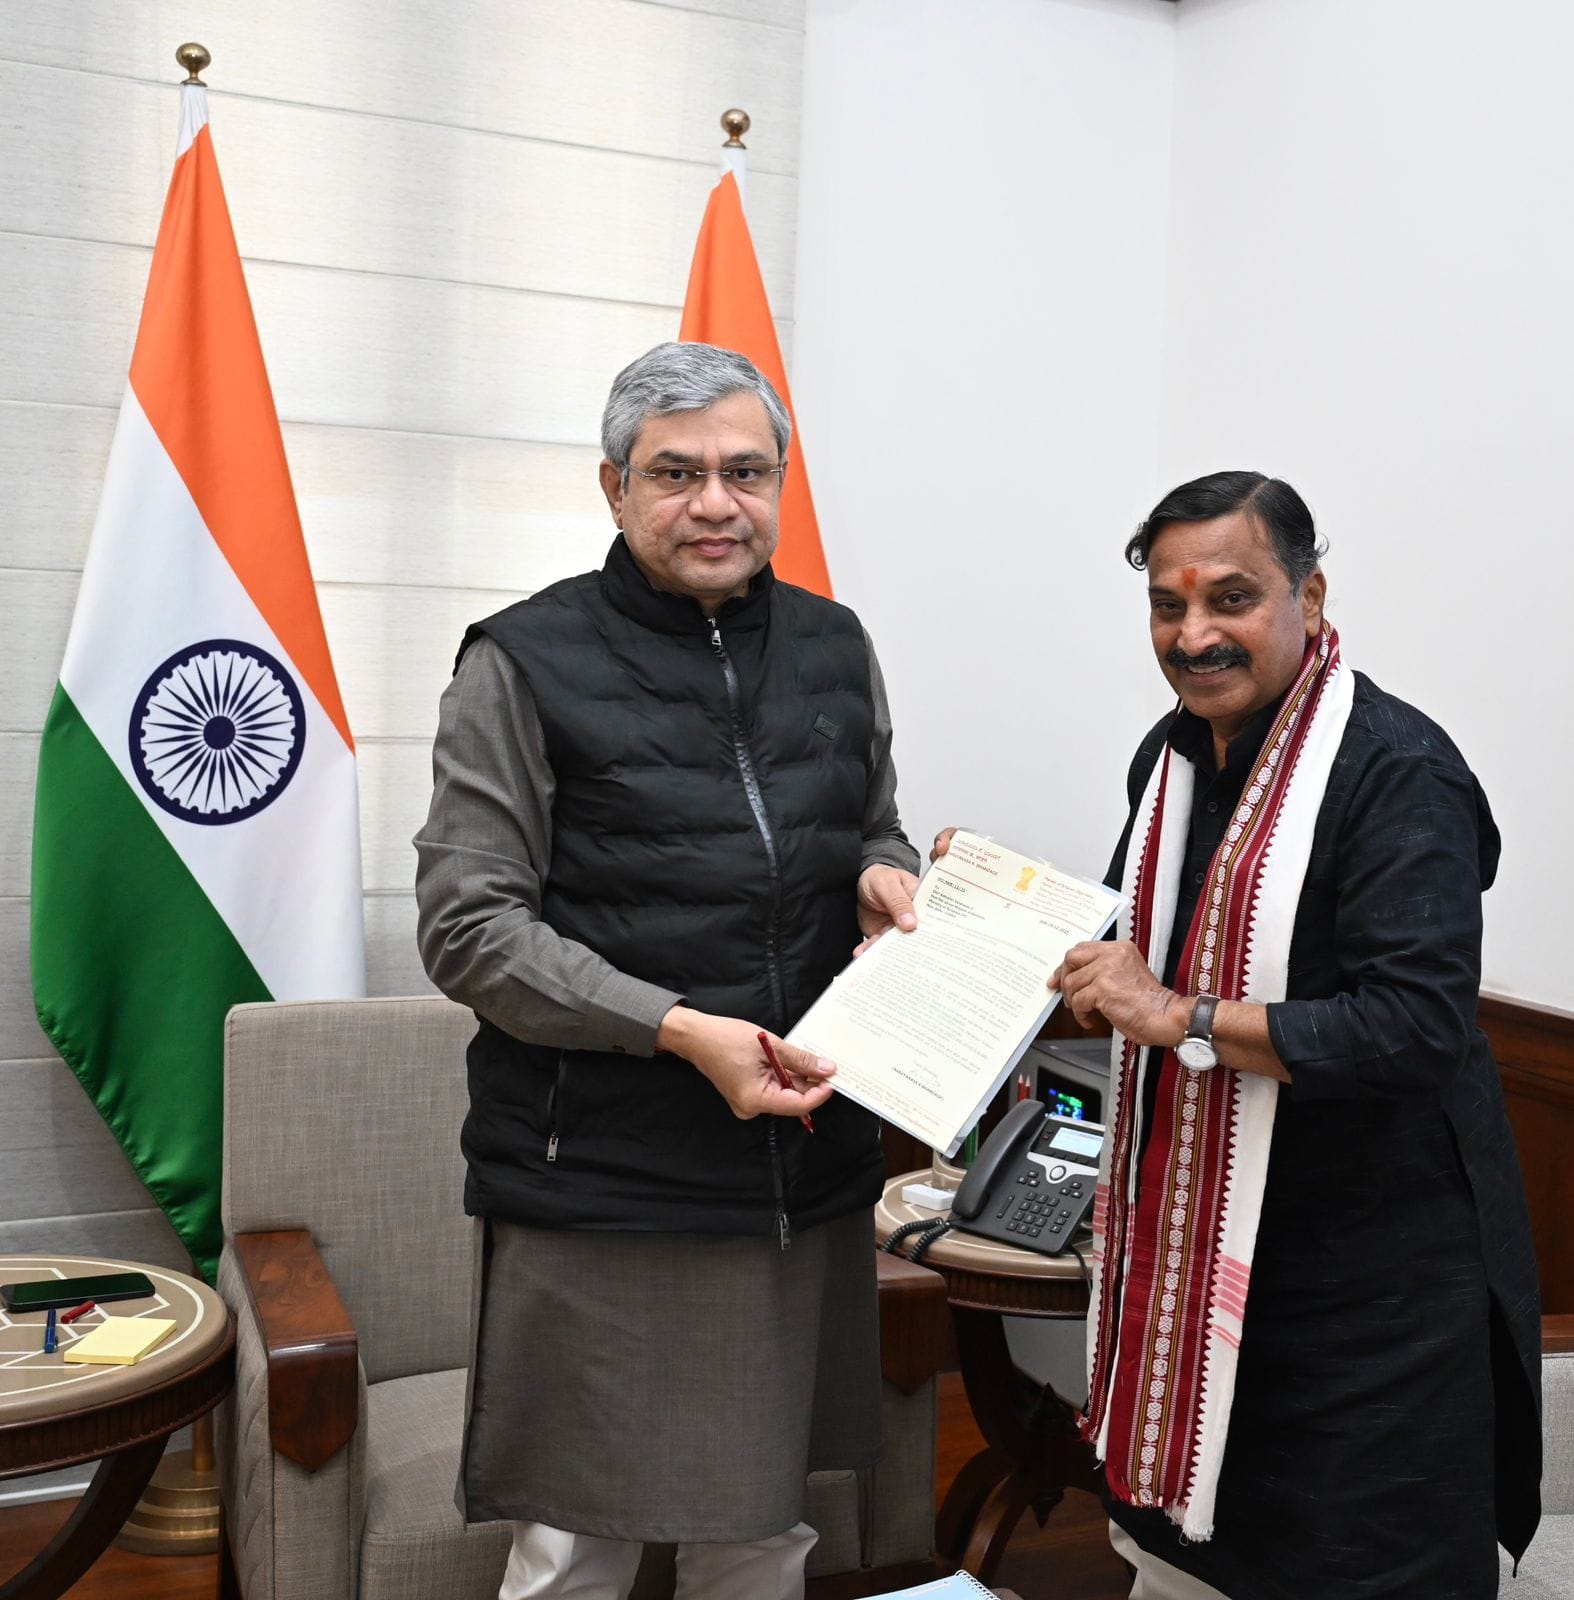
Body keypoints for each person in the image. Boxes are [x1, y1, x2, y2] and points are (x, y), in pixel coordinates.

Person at [413, 340, 921, 1600]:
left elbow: (873, 827)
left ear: (779, 484)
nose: (714, 503)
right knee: (574, 1547)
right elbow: (468, 925)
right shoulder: (520, 660)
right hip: (603, 1178)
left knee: (763, 1528)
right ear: (614, 487)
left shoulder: (834, 643)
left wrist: (882, 874)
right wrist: (679, 1028)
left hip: (800, 1167)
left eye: (745, 472)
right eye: (675, 472)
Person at [1048, 471, 1542, 1598]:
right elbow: (1142, 937)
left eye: (1231, 597)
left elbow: (1413, 1028)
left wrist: (1180, 1018)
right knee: (1185, 1560)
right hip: (1205, 1265)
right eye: (1168, 606)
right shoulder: (1172, 755)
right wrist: (990, 909)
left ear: (1309, 597)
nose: (1194, 635)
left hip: (1368, 1298)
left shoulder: (1396, 771)